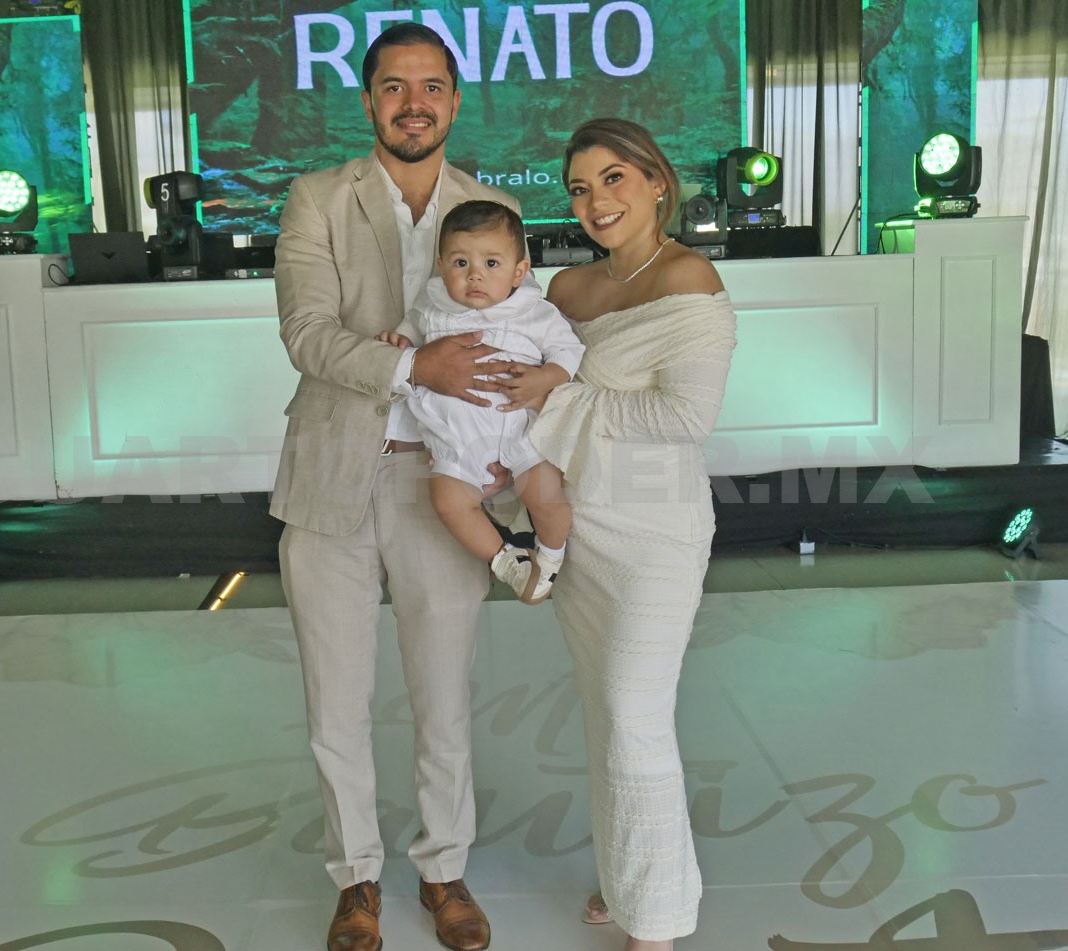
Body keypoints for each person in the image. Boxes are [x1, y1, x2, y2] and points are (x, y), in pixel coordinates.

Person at [271, 22, 517, 951]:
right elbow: (307, 333)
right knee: (334, 704)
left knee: (443, 697)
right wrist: (417, 367)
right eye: (394, 86)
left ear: (454, 100)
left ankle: (444, 869)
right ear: (369, 99)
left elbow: (512, 333)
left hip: (444, 484)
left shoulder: (491, 206)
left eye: (431, 86)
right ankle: (356, 879)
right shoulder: (317, 198)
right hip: (331, 474)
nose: (414, 104)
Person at [500, 117, 737, 950]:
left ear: (656, 181)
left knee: (634, 712)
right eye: (578, 187)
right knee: (607, 709)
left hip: (656, 532)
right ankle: (627, 872)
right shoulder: (567, 289)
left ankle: (657, 922)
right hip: (580, 525)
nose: (595, 201)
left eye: (612, 179)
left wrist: (559, 398)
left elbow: (683, 418)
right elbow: (507, 363)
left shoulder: (691, 277)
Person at [376, 199, 585, 605]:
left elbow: (568, 352)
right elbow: (409, 338)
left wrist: (543, 377)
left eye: (491, 263)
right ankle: (506, 560)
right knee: (448, 503)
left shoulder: (534, 311)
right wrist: (399, 342)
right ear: (441, 267)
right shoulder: (430, 307)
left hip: (522, 428)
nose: (475, 275)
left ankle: (549, 558)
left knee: (548, 499)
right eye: (460, 263)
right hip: (457, 437)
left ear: (519, 272)